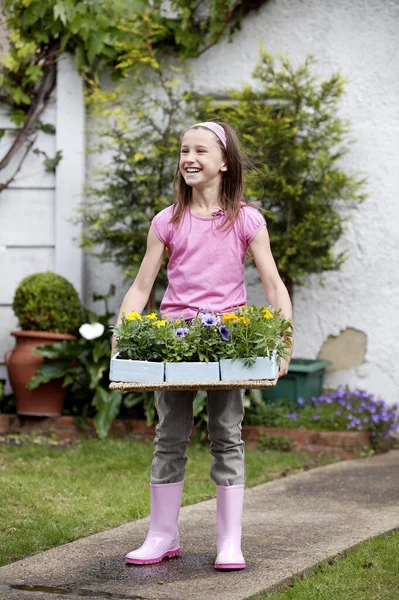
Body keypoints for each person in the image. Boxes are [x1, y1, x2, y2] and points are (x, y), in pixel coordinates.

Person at [111, 121, 293, 570]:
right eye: (183, 151)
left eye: (200, 151)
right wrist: (123, 335)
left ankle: (229, 542)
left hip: (226, 345)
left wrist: (284, 343)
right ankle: (161, 535)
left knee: (227, 436)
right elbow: (141, 287)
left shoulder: (246, 219)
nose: (189, 158)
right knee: (169, 436)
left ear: (224, 162)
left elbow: (272, 283)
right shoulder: (167, 220)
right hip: (176, 343)